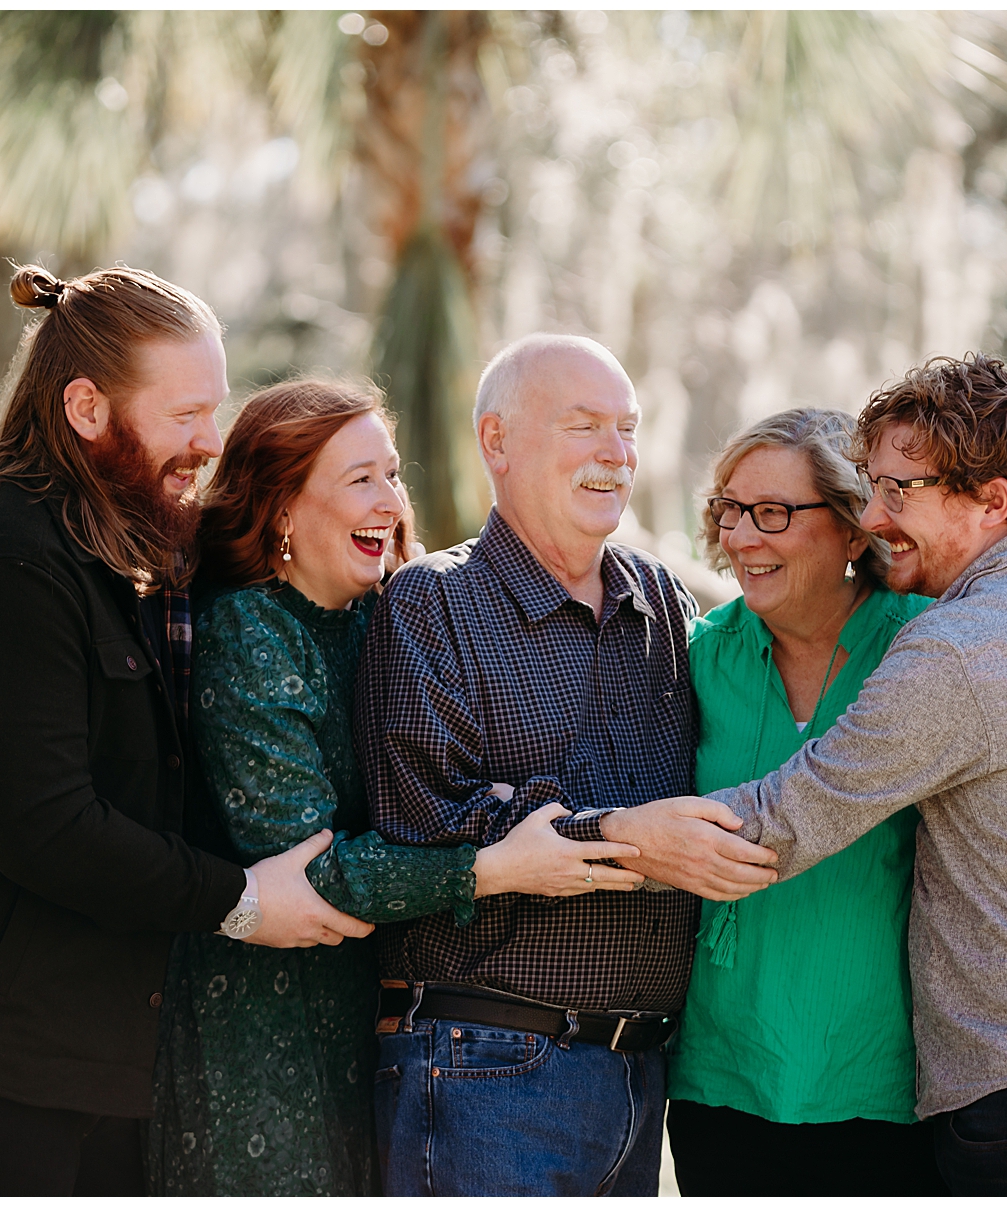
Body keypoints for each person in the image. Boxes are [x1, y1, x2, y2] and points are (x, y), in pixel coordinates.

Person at [0, 265, 377, 1195]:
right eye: (184, 417)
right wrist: (244, 900)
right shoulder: (8, 556)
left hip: (94, 1051)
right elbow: (44, 827)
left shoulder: (125, 546)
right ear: (86, 406)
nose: (209, 443)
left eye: (216, 411)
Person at [640, 354, 1007, 1196]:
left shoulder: (952, 648)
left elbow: (792, 815)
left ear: (992, 502)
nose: (875, 515)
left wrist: (595, 837)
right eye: (872, 486)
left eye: (899, 491)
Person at [144, 379, 645, 1195]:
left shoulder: (383, 616)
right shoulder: (251, 631)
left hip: (374, 1018)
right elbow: (314, 873)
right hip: (267, 1029)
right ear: (281, 510)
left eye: (392, 473)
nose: (389, 500)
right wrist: (497, 868)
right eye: (359, 479)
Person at [355, 333, 779, 1197]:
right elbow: (424, 820)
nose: (615, 454)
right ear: (497, 442)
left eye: (626, 428)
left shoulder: (659, 598)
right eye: (584, 426)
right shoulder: (432, 601)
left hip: (638, 1078)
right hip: (484, 1067)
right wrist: (624, 839)